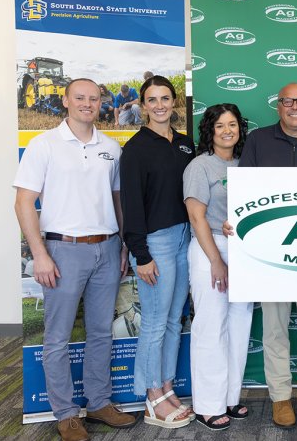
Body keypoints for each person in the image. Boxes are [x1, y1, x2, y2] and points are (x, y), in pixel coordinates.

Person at [13, 78, 136, 441]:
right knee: (58, 338)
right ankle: (66, 413)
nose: (87, 103)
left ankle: (98, 402)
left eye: (94, 98)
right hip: (62, 250)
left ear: (101, 103)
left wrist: (125, 244)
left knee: (101, 332)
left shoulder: (111, 147)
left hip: (108, 246)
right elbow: (23, 202)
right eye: (79, 97)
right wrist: (39, 254)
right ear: (65, 101)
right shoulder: (43, 145)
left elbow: (117, 201)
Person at [224, 82, 297, 428]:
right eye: (288, 101)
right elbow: (243, 191)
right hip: (271, 254)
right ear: (278, 105)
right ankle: (280, 397)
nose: (294, 107)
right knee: (274, 329)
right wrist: (236, 220)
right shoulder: (259, 141)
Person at [120, 75, 196, 429]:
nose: (160, 105)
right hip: (155, 243)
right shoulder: (135, 148)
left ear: (174, 101)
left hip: (184, 238)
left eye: (166, 98)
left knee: (172, 319)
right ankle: (152, 397)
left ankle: (166, 388)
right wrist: (141, 254)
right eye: (153, 100)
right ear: (143, 105)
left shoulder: (184, 144)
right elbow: (131, 206)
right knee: (153, 323)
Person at [183, 104, 253, 431]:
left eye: (233, 125)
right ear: (209, 130)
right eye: (220, 125)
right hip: (209, 249)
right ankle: (208, 405)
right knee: (211, 326)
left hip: (244, 250)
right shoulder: (200, 166)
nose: (227, 130)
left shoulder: (246, 164)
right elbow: (196, 216)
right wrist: (216, 260)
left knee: (240, 324)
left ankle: (230, 397)